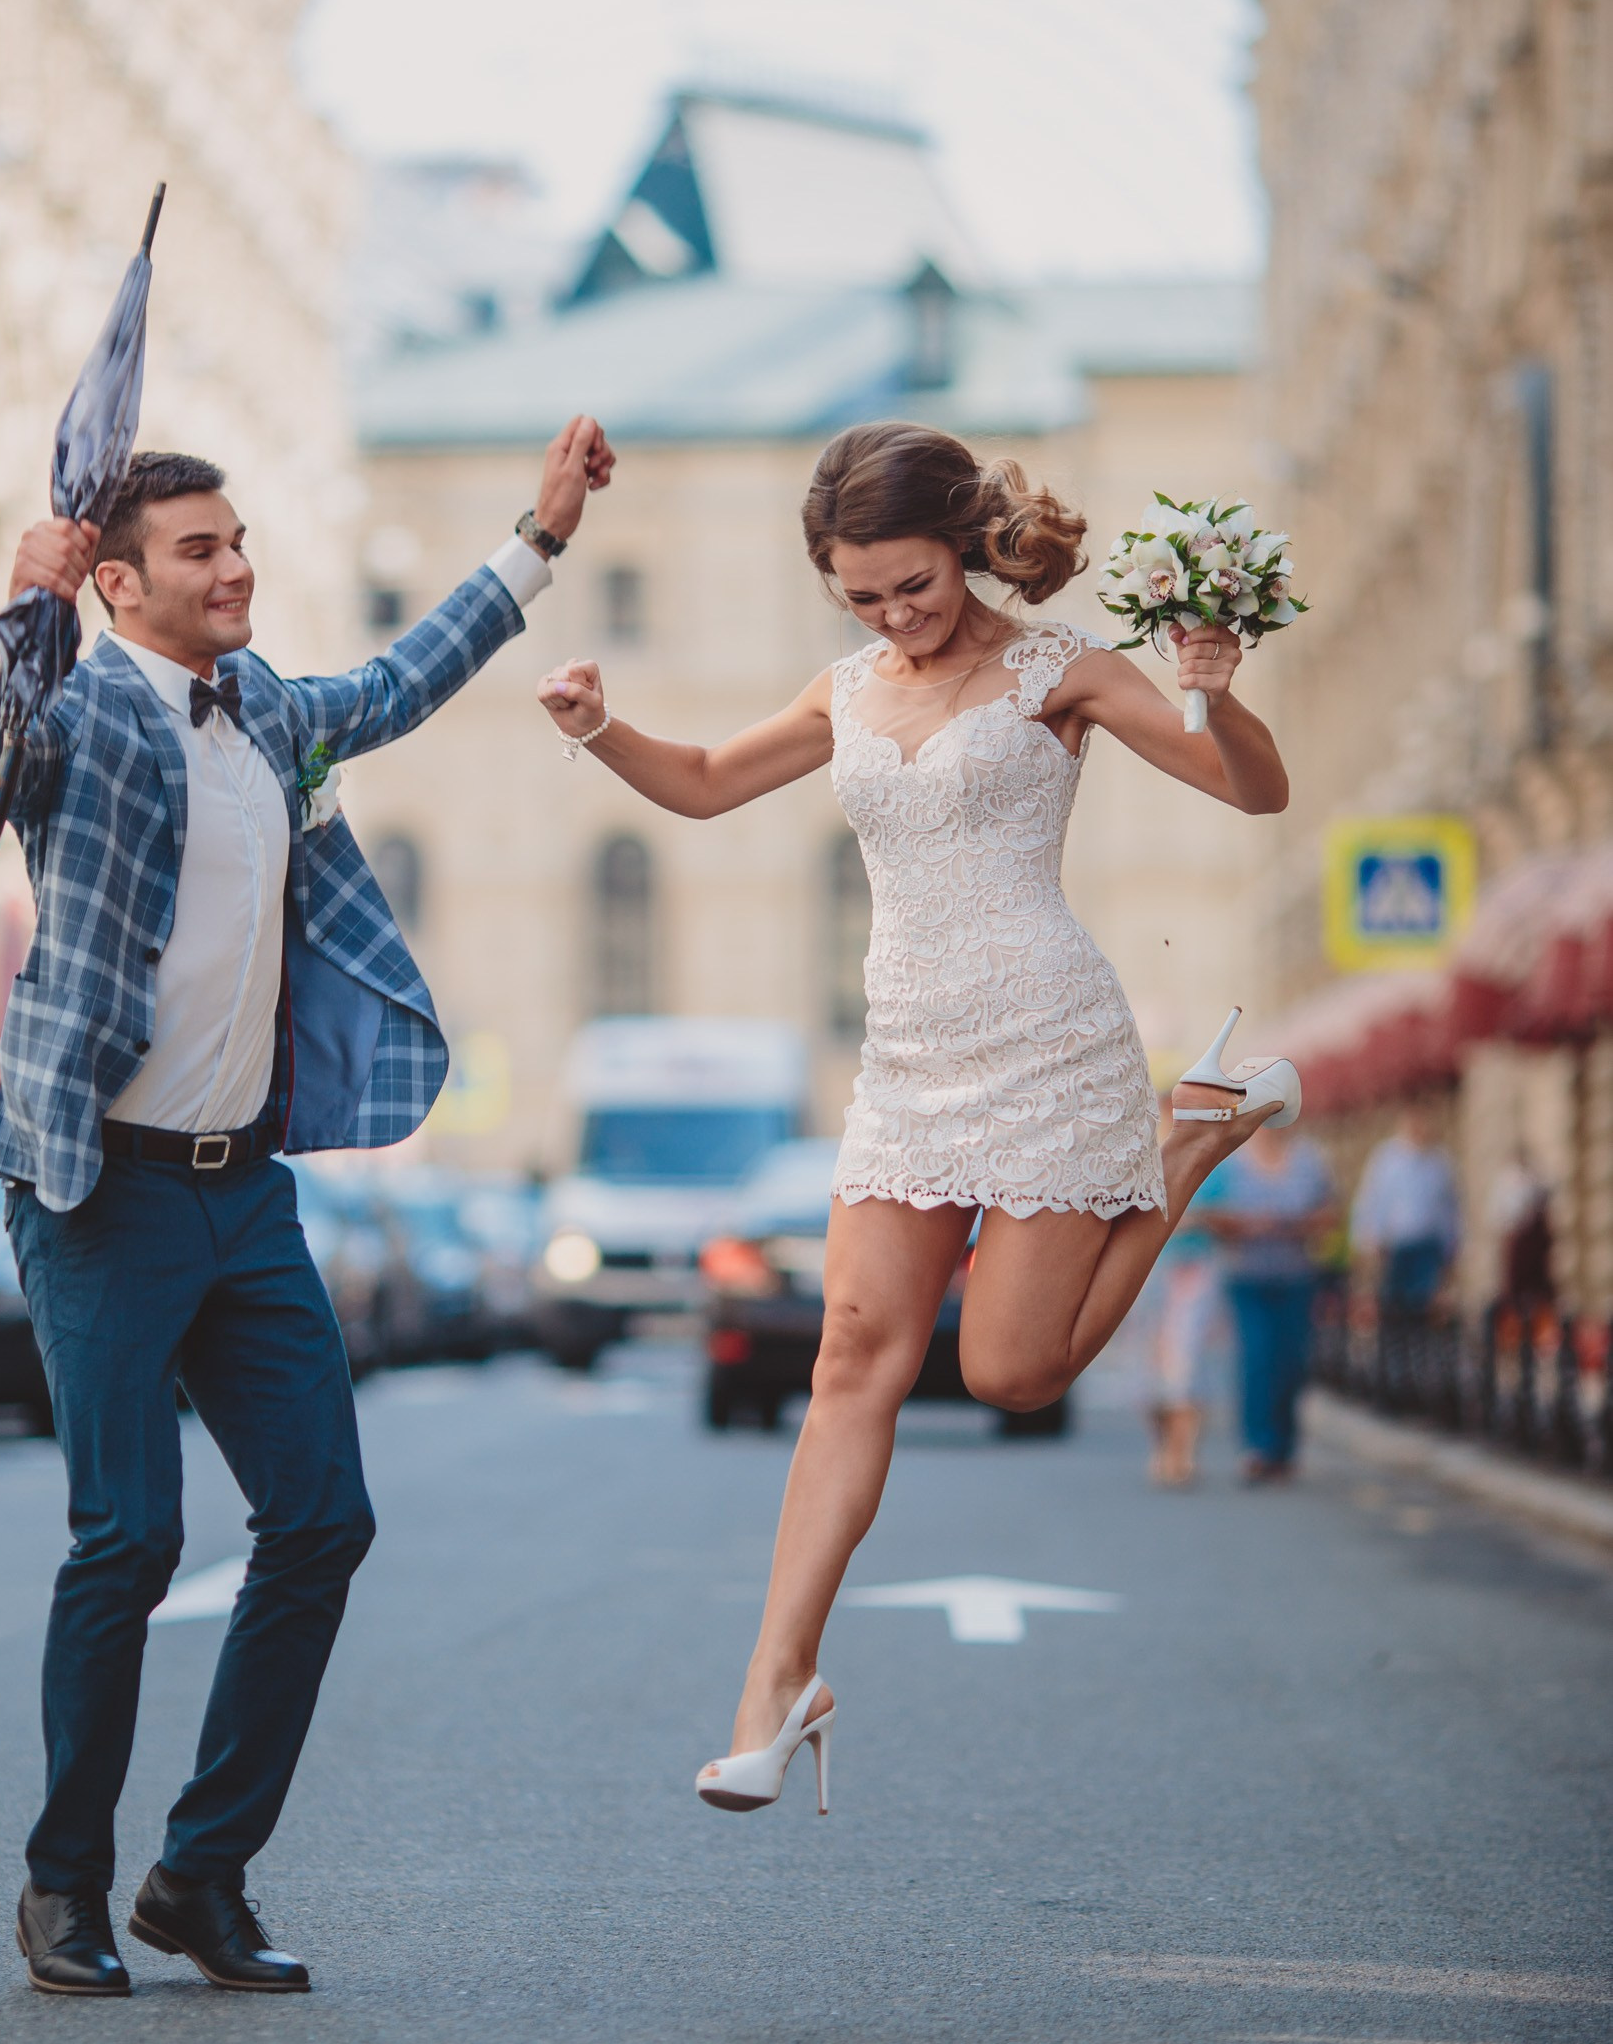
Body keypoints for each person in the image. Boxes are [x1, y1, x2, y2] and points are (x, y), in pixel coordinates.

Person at [0, 418, 614, 1997]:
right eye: (201, 550)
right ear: (119, 583)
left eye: (238, 541)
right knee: (130, 1538)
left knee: (322, 1521)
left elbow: (407, 677)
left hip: (246, 1197)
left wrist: (542, 537)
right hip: (101, 1190)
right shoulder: (80, 712)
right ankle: (62, 1887)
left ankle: (200, 1875)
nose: (237, 567)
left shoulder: (273, 715)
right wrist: (19, 610)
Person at [534, 419, 1295, 1811]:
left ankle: (1187, 1139)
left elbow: (1252, 791)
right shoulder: (844, 692)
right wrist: (598, 729)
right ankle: (777, 1687)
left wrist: (1214, 691)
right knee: (851, 1361)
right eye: (863, 595)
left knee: (1012, 1374)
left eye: (915, 585)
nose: (894, 614)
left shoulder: (1066, 671)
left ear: (966, 545)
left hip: (1049, 1040)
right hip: (906, 1064)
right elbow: (702, 785)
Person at [1190, 1126, 1336, 1481]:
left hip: (1295, 1277)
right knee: (1256, 1359)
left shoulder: (1309, 1161)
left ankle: (1284, 1447)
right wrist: (1245, 1224)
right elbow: (1205, 1212)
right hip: (1247, 1277)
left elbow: (1330, 1212)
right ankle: (1258, 1447)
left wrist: (1295, 1224)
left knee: (1291, 1362)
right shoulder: (1232, 1163)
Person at [1136, 1102, 1236, 1488]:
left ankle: (1184, 1451)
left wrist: (1196, 1220)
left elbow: (1229, 1217)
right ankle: (1162, 1447)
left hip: (1198, 1274)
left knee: (1190, 1367)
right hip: (1151, 1274)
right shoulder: (1142, 1159)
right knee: (1152, 1370)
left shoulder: (1215, 1165)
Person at [1350, 1097, 1458, 1316]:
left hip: (1427, 1248)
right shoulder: (1386, 1160)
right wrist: (1367, 1244)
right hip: (1394, 1249)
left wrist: (1451, 1251)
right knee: (1394, 1309)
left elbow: (1449, 1211)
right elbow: (1371, 1203)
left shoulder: (1439, 1162)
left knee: (1424, 1311)